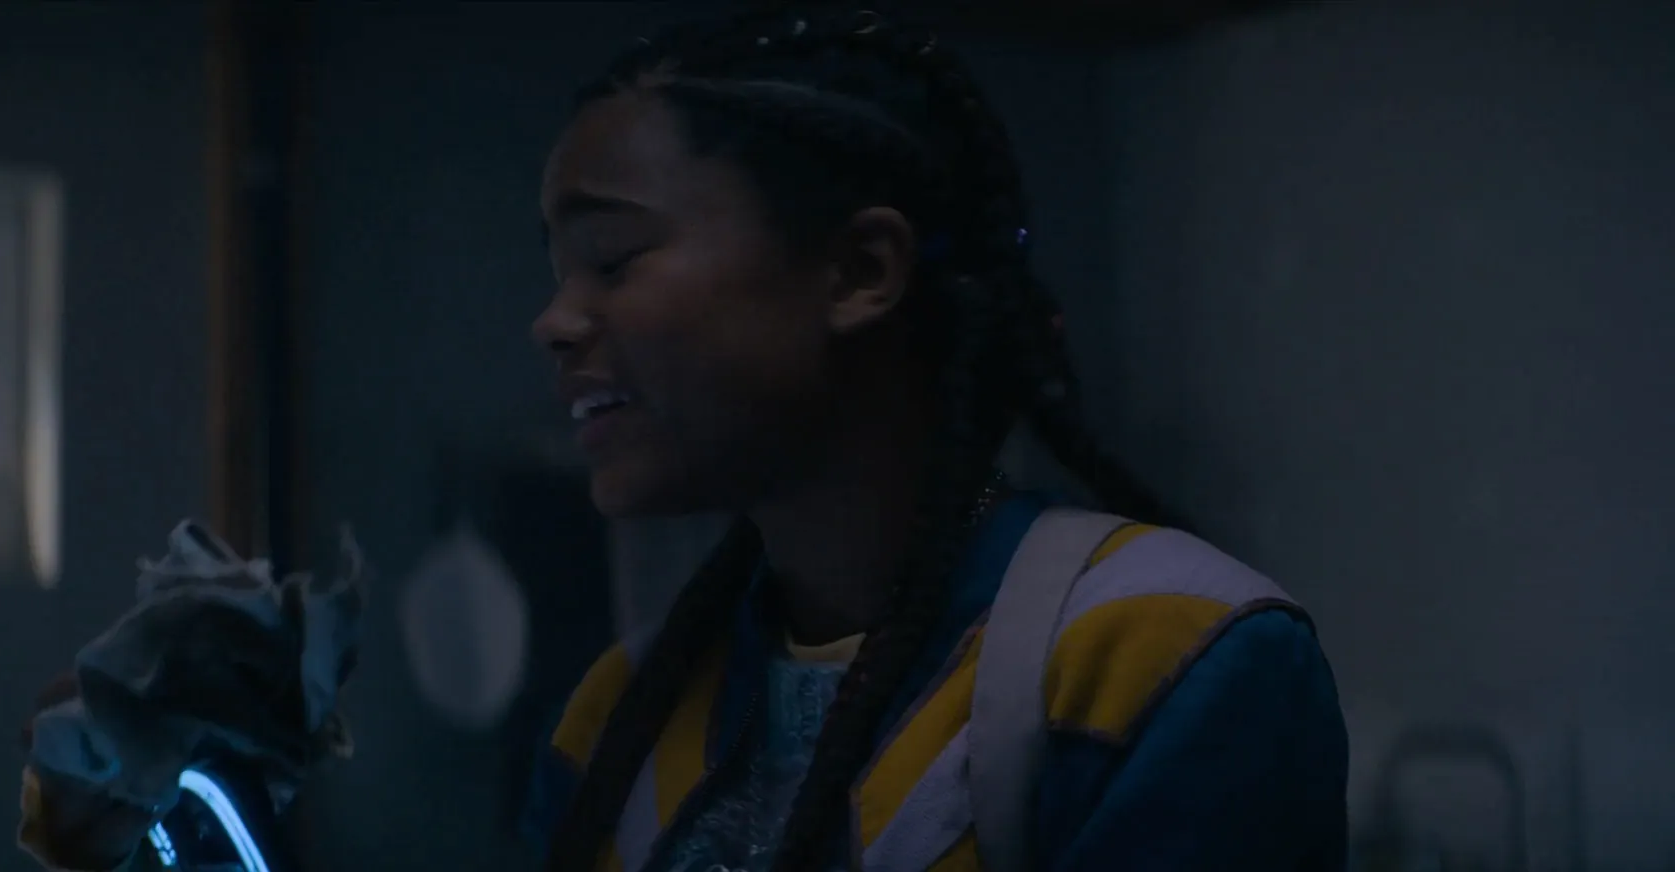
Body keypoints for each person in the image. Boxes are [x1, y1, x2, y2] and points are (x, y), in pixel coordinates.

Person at [521, 7, 1347, 872]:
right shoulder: (612, 721)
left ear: (861, 271)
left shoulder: (1154, 658)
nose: (553, 322)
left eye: (612, 257)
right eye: (559, 274)